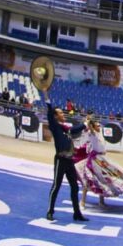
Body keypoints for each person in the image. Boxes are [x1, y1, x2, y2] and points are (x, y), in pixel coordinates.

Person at [76, 116, 123, 207]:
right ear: (93, 127)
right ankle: (82, 201)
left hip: (101, 159)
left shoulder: (98, 134)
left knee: (103, 179)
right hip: (94, 161)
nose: (99, 127)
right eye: (97, 125)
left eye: (99, 125)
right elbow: (90, 129)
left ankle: (101, 201)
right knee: (90, 179)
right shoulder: (92, 134)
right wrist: (88, 122)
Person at [41, 88, 88, 222]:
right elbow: (50, 112)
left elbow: (74, 129)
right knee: (56, 185)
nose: (63, 114)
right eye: (60, 113)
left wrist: (85, 124)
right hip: (60, 160)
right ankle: (50, 211)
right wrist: (46, 95)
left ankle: (77, 213)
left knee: (75, 187)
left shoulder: (65, 129)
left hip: (69, 161)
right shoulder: (55, 127)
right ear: (55, 116)